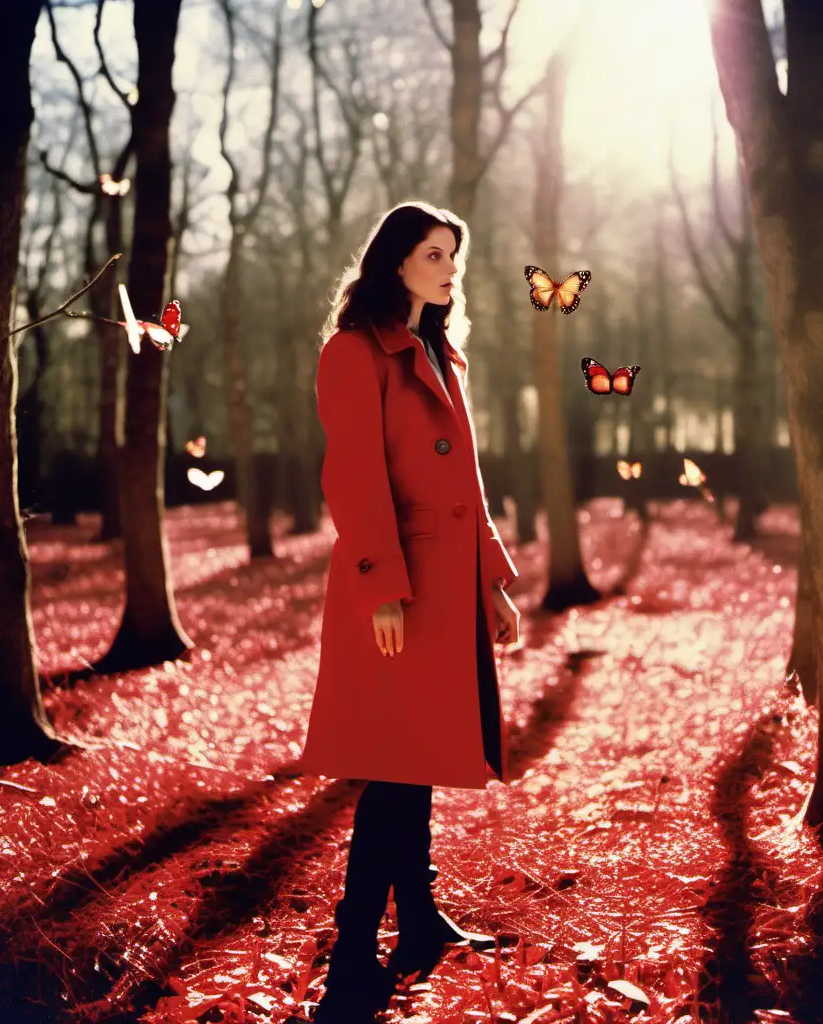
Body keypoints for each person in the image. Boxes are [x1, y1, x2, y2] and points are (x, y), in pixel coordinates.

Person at [297, 201, 522, 1022]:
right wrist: (381, 586)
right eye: (434, 253)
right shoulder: (355, 353)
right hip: (397, 585)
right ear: (395, 261)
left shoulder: (442, 356)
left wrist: (491, 582)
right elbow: (352, 478)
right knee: (393, 772)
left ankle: (419, 923)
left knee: (417, 762)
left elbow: (468, 486)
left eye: (454, 254)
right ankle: (353, 952)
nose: (449, 267)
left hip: (447, 582)